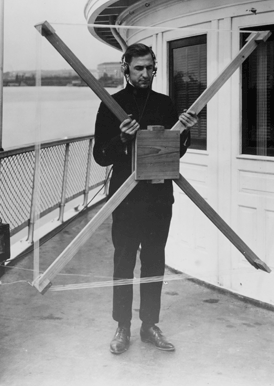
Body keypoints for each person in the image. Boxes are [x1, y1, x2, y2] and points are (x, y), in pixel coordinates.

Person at [93, 43, 198, 355]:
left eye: (149, 68)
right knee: (124, 261)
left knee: (154, 261)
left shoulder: (166, 105)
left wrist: (186, 133)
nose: (144, 74)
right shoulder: (112, 104)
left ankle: (149, 325)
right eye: (138, 68)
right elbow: (101, 156)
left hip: (158, 197)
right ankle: (122, 326)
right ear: (126, 68)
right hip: (125, 200)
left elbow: (173, 153)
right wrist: (122, 138)